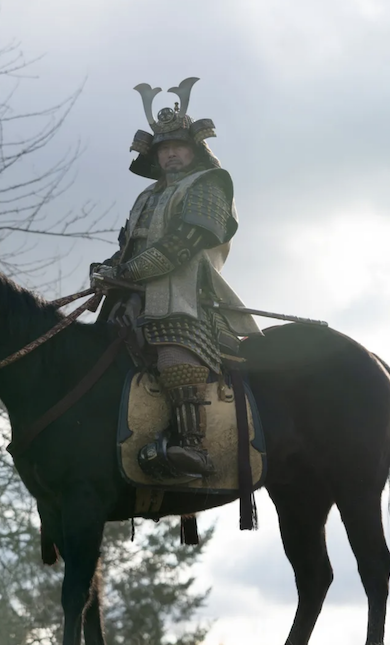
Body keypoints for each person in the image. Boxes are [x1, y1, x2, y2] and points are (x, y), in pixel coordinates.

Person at [91, 77, 261, 480]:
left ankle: (192, 447)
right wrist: (107, 269)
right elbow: (128, 247)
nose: (170, 154)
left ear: (195, 150)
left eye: (178, 147)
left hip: (190, 297)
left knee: (174, 352)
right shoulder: (145, 197)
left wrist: (127, 272)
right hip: (134, 295)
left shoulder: (210, 184)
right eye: (164, 149)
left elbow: (183, 245)